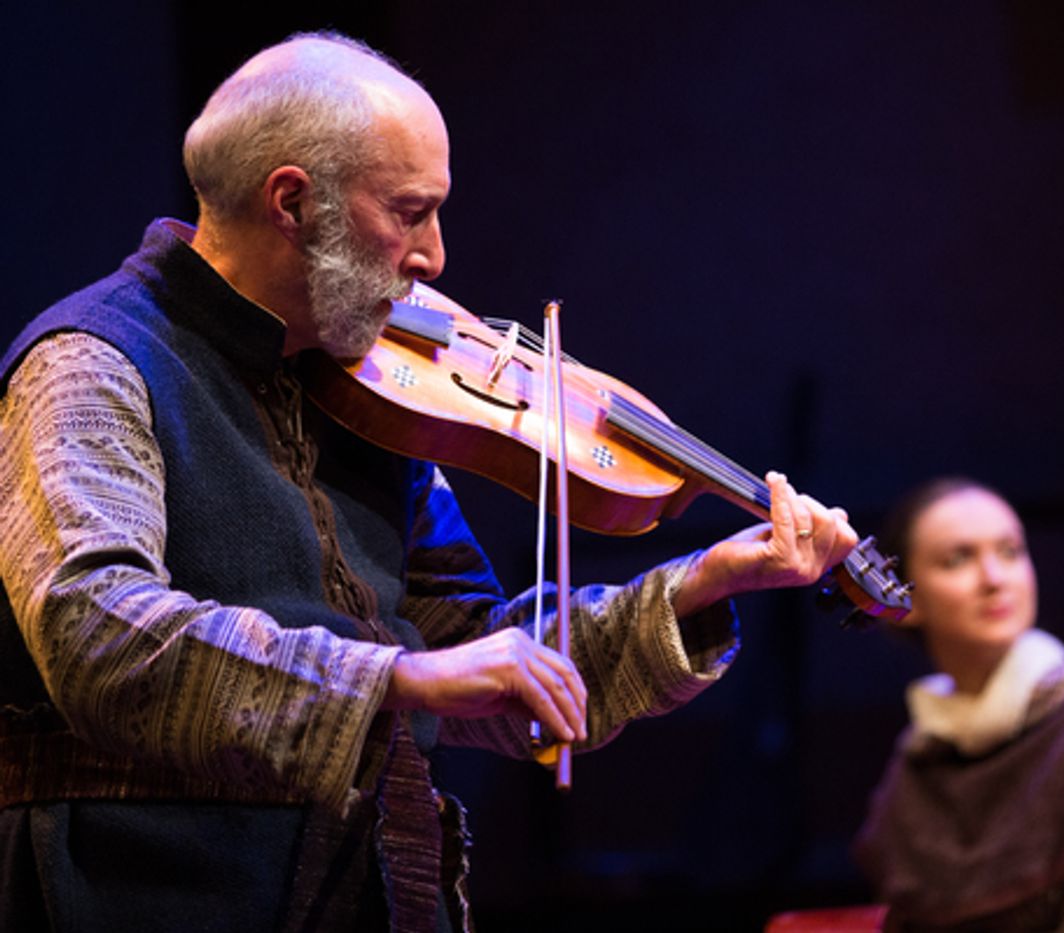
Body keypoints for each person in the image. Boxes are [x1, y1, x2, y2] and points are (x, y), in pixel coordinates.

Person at [0, 33, 857, 932]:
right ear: (292, 201)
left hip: (364, 891)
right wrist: (400, 681)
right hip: (148, 891)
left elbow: (480, 657)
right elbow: (97, 633)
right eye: (410, 211)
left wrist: (700, 584)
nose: (435, 257)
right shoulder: (94, 364)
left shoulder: (365, 386)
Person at [852, 478, 1064, 932]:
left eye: (1011, 552)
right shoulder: (916, 763)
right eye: (958, 559)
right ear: (905, 597)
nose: (995, 579)